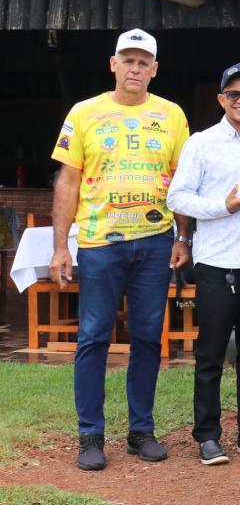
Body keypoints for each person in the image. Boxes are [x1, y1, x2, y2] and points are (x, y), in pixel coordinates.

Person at [51, 29, 191, 471]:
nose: (135, 68)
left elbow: (182, 182)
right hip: (100, 244)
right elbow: (67, 181)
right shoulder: (84, 112)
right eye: (127, 60)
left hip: (155, 244)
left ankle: (141, 431)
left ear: (154, 69)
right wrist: (60, 247)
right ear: (113, 64)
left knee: (149, 337)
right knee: (93, 337)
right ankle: (90, 435)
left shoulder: (171, 116)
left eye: (143, 61)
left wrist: (183, 237)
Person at [167, 62, 240, 465]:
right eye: (233, 94)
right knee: (211, 352)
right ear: (221, 99)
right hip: (218, 262)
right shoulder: (201, 143)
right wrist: (223, 206)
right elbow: (178, 198)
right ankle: (207, 435)